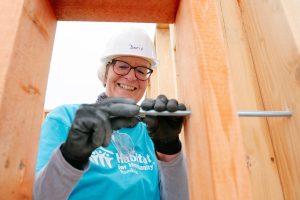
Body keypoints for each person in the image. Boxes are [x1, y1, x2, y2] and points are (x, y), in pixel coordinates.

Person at [34, 27, 189, 200]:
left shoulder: (152, 133)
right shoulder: (66, 119)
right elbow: (37, 196)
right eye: (122, 66)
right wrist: (70, 157)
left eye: (141, 71)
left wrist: (170, 151)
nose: (131, 77)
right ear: (105, 72)